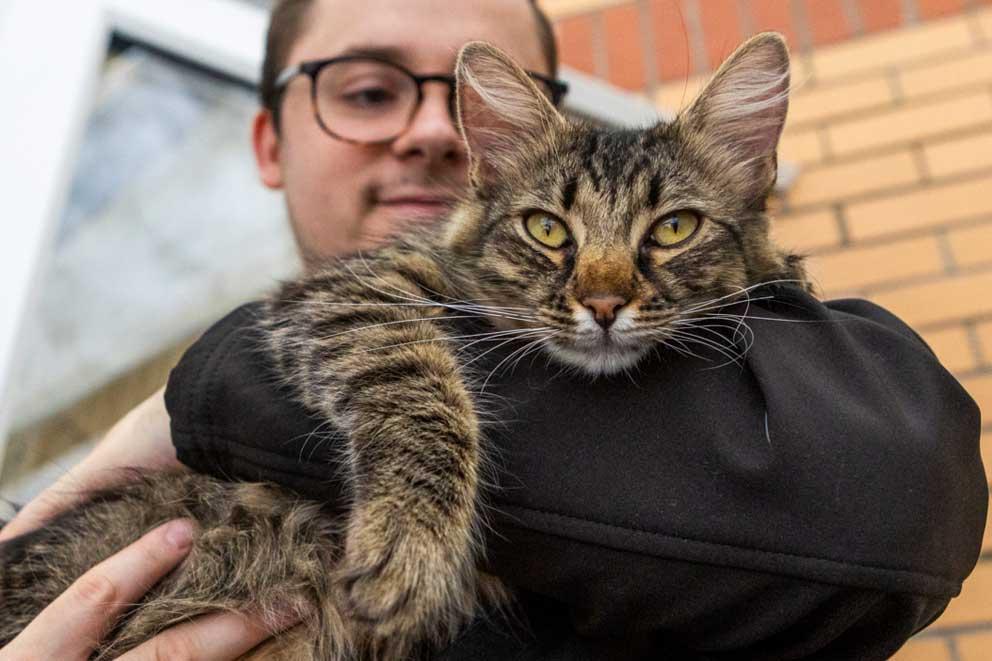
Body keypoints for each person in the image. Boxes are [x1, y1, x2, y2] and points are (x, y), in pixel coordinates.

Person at [2, 1, 986, 658]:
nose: (601, 287)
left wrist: (208, 388)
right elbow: (337, 308)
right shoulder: (428, 286)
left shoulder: (799, 371)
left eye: (670, 228)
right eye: (366, 89)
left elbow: (891, 502)